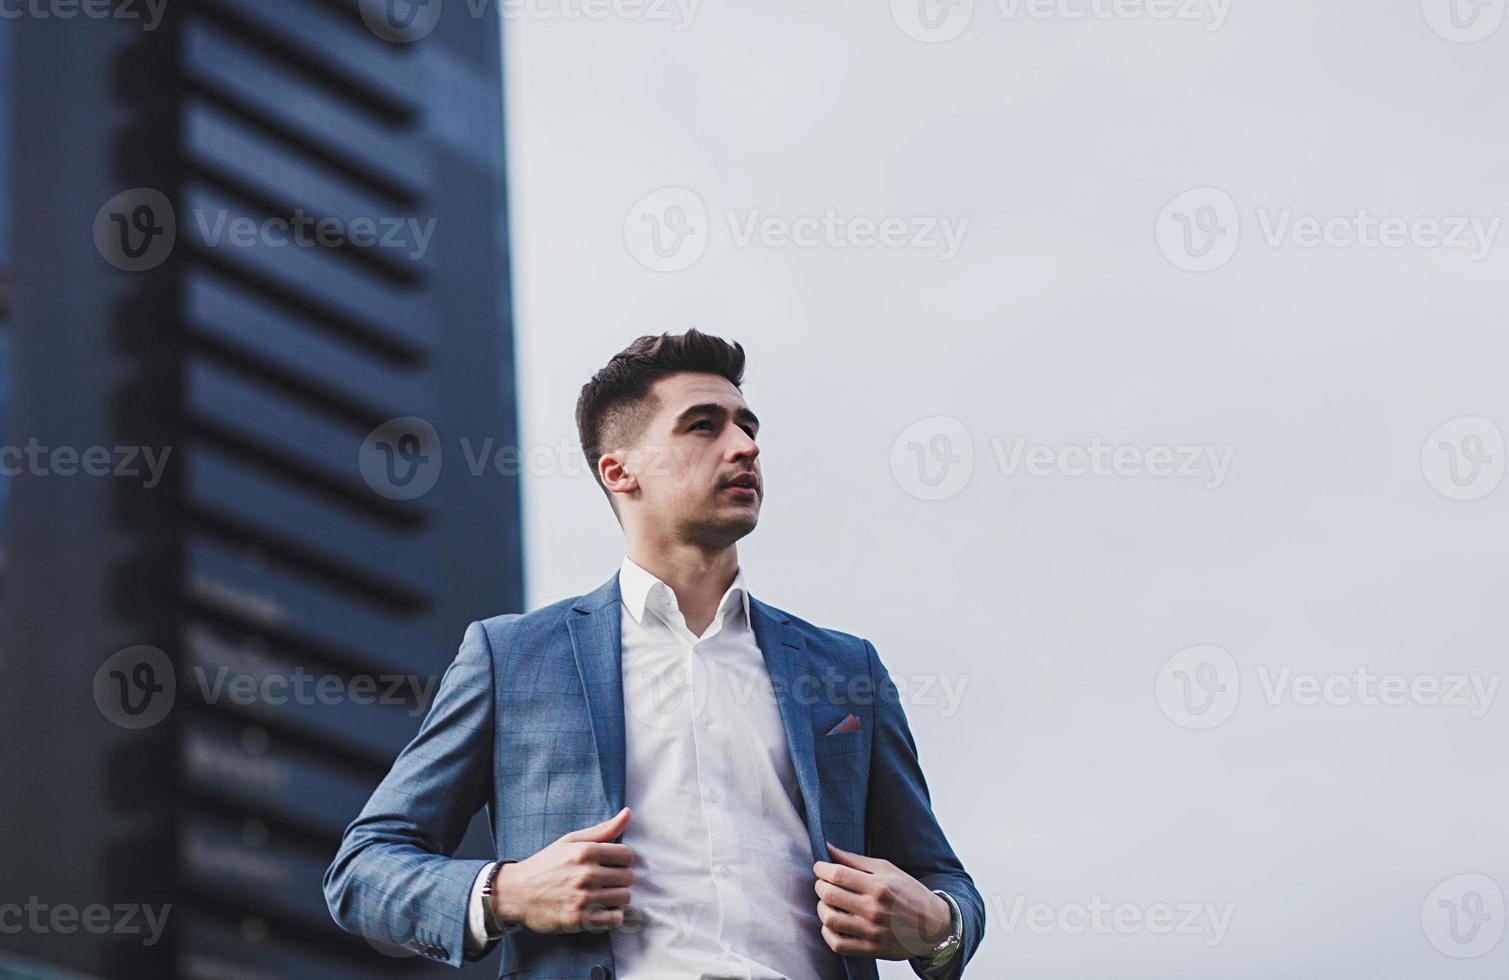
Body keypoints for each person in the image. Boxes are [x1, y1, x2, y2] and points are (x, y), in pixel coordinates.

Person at [324, 329, 984, 979]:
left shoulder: (844, 669)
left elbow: (941, 880)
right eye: (703, 426)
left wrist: (938, 926)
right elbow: (364, 868)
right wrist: (511, 891)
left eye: (747, 426)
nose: (744, 446)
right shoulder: (513, 656)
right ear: (620, 469)